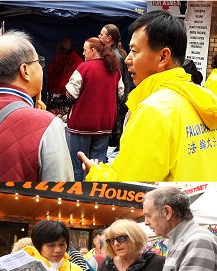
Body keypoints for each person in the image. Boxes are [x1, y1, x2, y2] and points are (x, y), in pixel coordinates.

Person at [80, 10, 217, 181]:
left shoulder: (154, 110)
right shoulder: (203, 99)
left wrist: (95, 173)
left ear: (163, 57)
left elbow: (128, 190)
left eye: (135, 51)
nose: (128, 59)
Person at [0, 31, 73, 181]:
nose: (41, 68)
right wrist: (41, 120)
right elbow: (59, 193)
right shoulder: (49, 125)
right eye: (39, 62)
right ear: (25, 70)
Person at [66, 37, 123, 181]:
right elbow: (121, 93)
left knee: (78, 165)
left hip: (81, 125)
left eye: (85, 50)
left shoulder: (84, 68)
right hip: (105, 124)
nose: (83, 53)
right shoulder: (114, 69)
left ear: (92, 51)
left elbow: (70, 93)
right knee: (98, 166)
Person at [98, 24, 135, 148]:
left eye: (101, 34)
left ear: (108, 38)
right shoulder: (117, 53)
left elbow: (116, 81)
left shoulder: (114, 56)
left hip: (118, 98)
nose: (99, 36)